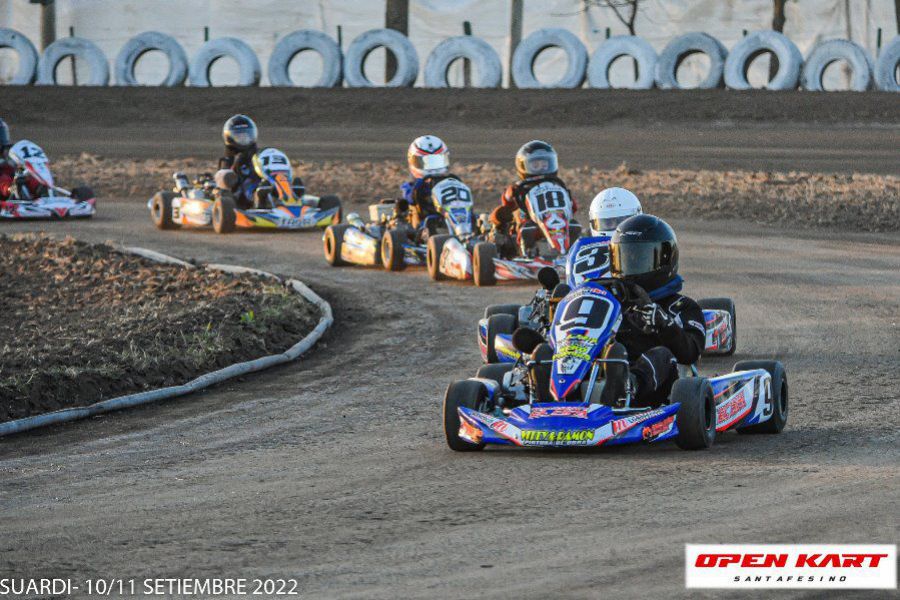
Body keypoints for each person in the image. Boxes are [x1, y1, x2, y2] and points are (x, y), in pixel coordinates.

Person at [606, 214, 706, 407]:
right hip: (611, 370)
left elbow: (690, 352)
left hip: (662, 390)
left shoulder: (681, 306)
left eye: (639, 259)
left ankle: (629, 385)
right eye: (624, 258)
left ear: (665, 259)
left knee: (661, 354)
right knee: (611, 351)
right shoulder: (612, 305)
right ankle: (546, 391)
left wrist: (664, 324)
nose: (629, 268)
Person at [489, 140, 577, 257]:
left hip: (556, 223)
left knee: (574, 226)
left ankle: (573, 254)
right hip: (528, 222)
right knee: (527, 228)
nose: (541, 169)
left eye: (544, 165)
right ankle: (528, 254)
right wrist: (511, 195)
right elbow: (506, 204)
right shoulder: (519, 188)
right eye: (535, 166)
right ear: (524, 166)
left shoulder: (559, 187)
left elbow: (573, 207)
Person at [567, 187, 643, 286]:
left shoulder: (643, 247)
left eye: (621, 221)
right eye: (607, 223)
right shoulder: (578, 248)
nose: (614, 227)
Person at [399, 135, 460, 232]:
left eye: (437, 161)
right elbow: (409, 198)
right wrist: (421, 186)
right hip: (426, 224)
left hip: (453, 217)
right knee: (431, 222)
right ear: (414, 161)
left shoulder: (451, 181)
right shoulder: (413, 185)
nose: (433, 167)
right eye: (427, 162)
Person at [214, 114, 261, 209]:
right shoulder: (228, 159)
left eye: (246, 135)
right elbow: (225, 182)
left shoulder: (258, 156)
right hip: (239, 195)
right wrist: (237, 163)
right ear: (230, 137)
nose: (244, 139)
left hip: (260, 183)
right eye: (240, 136)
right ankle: (258, 200)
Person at [0, 118, 45, 201]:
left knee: (29, 178)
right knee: (4, 178)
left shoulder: (8, 155)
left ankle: (42, 190)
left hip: (15, 182)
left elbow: (18, 169)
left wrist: (24, 170)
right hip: (5, 189)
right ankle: (12, 190)